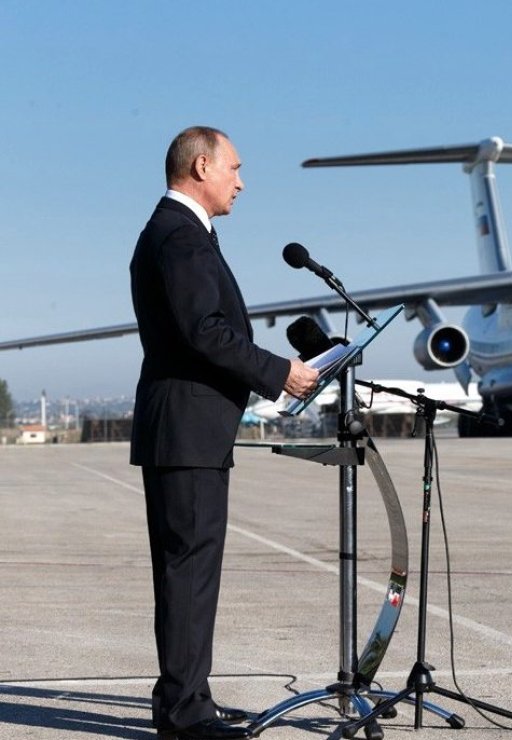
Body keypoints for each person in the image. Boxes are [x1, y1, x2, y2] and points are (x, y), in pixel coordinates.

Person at [130, 126, 318, 740]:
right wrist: (277, 373)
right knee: (188, 570)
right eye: (234, 168)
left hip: (190, 430)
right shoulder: (179, 238)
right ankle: (185, 715)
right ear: (201, 166)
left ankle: (189, 700)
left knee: (190, 570)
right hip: (185, 430)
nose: (241, 181)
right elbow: (203, 332)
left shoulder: (181, 233)